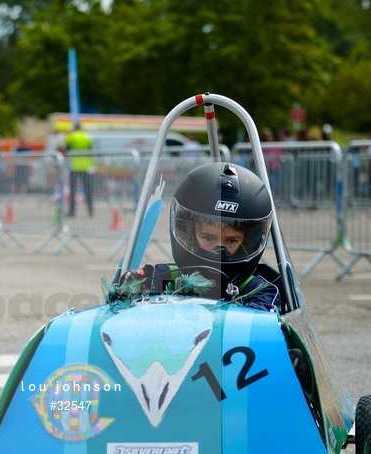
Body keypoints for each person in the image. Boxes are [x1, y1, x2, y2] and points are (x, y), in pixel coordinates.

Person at [128, 162, 280, 312]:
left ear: (247, 242)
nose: (218, 250)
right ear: (190, 235)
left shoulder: (261, 290)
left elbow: (259, 327)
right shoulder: (163, 278)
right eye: (208, 238)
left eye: (231, 240)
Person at [60, 122, 93, 217]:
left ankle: (72, 211)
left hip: (74, 165)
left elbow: (65, 149)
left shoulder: (71, 137)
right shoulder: (87, 137)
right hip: (86, 165)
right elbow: (91, 150)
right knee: (88, 189)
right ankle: (90, 210)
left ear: (74, 129)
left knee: (73, 190)